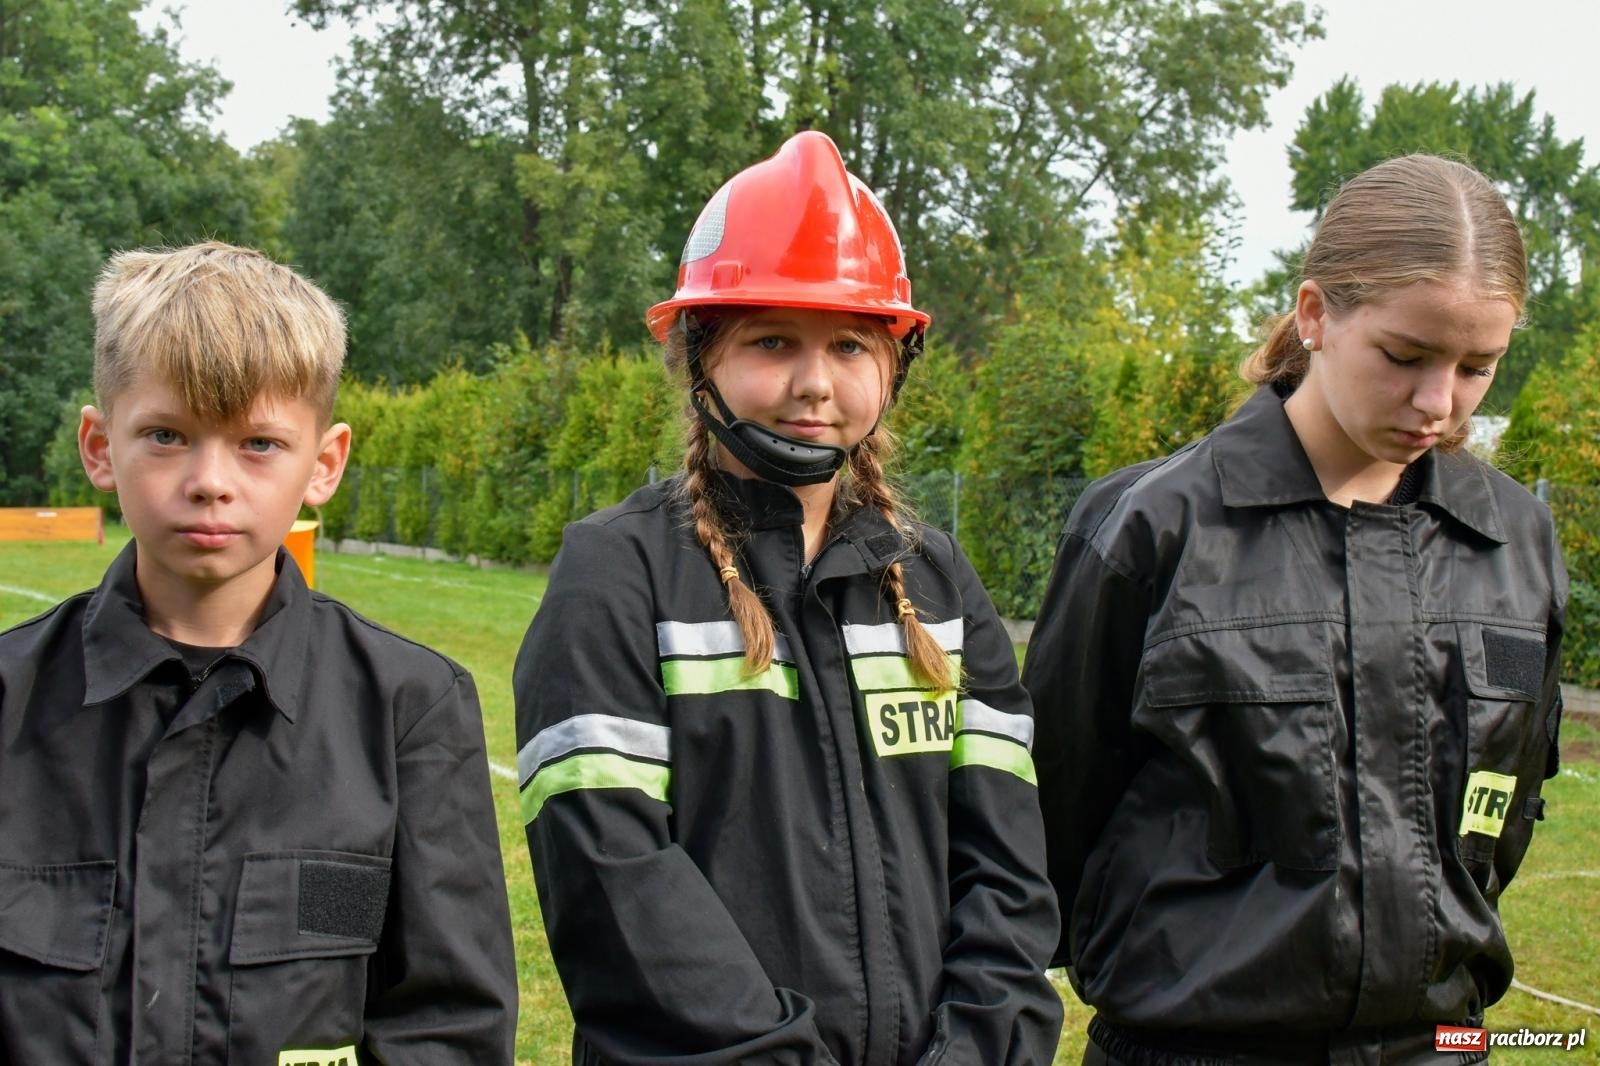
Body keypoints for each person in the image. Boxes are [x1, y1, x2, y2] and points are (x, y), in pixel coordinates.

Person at [514, 130, 1062, 1065]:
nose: (815, 384)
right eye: (772, 341)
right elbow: (616, 883)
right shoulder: (616, 573)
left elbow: (1008, 875)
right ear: (699, 356)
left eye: (850, 343)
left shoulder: (939, 584)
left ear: (896, 364)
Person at [1025, 154, 1566, 1065]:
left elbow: (1504, 813)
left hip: (1445, 1047)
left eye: (1478, 367)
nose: (1439, 402)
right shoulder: (1154, 527)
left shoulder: (1514, 538)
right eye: (1404, 356)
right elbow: (1056, 809)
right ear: (1315, 315)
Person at [0, 242, 518, 1064]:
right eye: (166, 435)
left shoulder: (408, 709)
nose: (210, 480)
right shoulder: (9, 703)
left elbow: (445, 1024)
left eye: (258, 444)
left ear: (326, 462)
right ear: (100, 446)